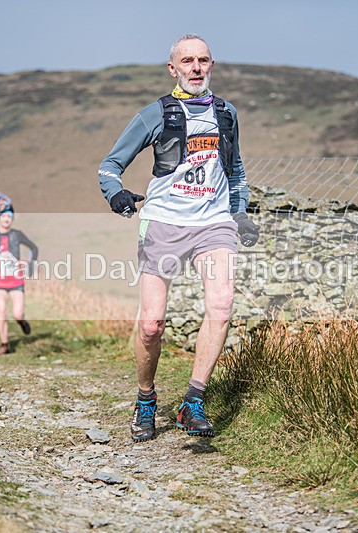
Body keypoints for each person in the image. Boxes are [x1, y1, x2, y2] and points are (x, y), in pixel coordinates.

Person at [98, 34, 260, 442]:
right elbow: (109, 166)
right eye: (187, 61)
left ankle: (193, 401)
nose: (196, 67)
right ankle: (146, 399)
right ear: (173, 68)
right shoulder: (155, 114)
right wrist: (115, 193)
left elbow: (235, 170)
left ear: (212, 65)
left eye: (203, 60)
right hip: (164, 224)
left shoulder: (226, 113)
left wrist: (239, 213)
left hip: (213, 223)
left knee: (221, 305)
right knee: (152, 325)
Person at [0, 193, 38, 355]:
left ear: (12, 219)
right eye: (4, 215)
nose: (6, 219)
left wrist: (32, 263)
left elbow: (34, 248)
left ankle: (22, 322)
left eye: (9, 216)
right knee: (1, 311)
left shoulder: (17, 235)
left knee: (17, 314)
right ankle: (4, 345)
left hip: (16, 280)